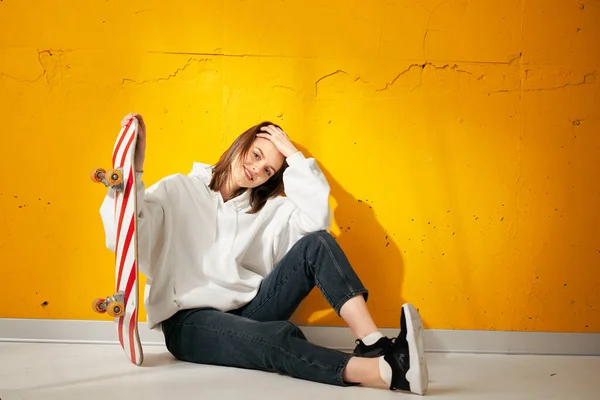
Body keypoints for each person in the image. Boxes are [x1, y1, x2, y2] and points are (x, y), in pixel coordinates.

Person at [99, 113, 429, 395]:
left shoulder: (267, 209)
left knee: (317, 243)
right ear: (241, 144)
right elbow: (124, 236)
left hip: (250, 310)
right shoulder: (178, 189)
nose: (257, 169)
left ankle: (373, 344)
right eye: (256, 155)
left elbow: (318, 222)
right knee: (275, 337)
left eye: (269, 169)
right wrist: (134, 172)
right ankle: (387, 373)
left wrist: (293, 157)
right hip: (189, 323)